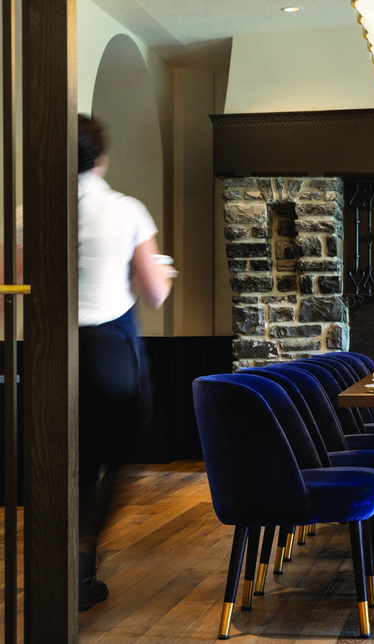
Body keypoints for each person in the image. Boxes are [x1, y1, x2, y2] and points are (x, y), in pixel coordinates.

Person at [76, 115, 176, 611]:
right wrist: (163, 270)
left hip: (53, 351)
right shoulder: (126, 209)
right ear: (100, 159)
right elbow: (154, 293)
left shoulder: (30, 213)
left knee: (70, 458)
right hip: (110, 348)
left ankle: (65, 562)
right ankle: (82, 555)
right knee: (115, 455)